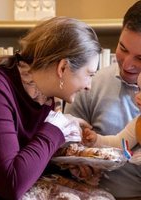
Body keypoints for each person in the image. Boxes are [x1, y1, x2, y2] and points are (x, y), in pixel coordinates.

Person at [0, 16, 101, 200]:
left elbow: (21, 162)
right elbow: (12, 184)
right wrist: (58, 127)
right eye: (89, 74)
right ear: (63, 68)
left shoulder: (43, 98)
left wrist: (68, 167)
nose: (89, 85)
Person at [64, 1, 141, 199]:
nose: (128, 65)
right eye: (123, 48)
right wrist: (78, 162)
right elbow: (64, 145)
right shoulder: (88, 84)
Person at [82, 72, 141, 159]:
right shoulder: (138, 124)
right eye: (139, 89)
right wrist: (96, 139)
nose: (138, 96)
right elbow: (119, 143)